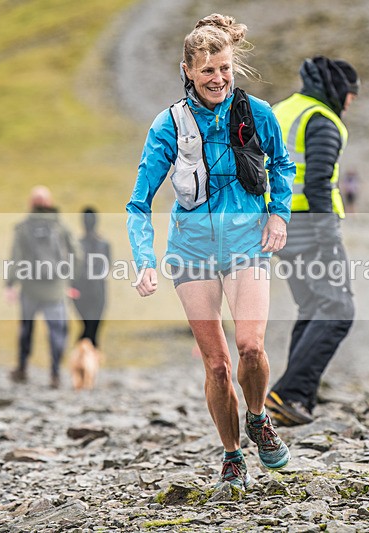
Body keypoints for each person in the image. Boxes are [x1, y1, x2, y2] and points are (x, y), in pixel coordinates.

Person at [126, 14, 296, 490]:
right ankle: (232, 456)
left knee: (251, 346)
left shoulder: (258, 113)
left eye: (224, 69)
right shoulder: (168, 126)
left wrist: (278, 213)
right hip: (192, 249)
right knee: (218, 365)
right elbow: (139, 203)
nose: (218, 79)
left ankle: (258, 417)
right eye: (207, 72)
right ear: (188, 72)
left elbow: (283, 163)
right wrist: (145, 261)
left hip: (246, 243)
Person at [265, 57, 358, 427]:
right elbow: (319, 182)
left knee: (312, 306)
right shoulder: (321, 120)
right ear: (339, 90)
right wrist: (327, 237)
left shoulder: (282, 109)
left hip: (280, 224)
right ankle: (286, 393)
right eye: (351, 95)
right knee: (338, 310)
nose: (351, 103)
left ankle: (296, 400)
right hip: (311, 226)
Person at [5, 186, 78, 389]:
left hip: (29, 289)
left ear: (31, 204)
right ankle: (55, 374)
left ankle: (22, 369)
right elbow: (77, 253)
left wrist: (10, 284)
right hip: (56, 289)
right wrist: (70, 281)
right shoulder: (60, 226)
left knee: (26, 329)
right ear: (49, 203)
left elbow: (16, 257)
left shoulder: (23, 227)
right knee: (57, 331)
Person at [70, 207, 111, 349]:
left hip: (97, 292)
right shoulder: (78, 244)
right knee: (89, 330)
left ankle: (86, 360)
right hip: (82, 292)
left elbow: (106, 266)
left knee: (91, 331)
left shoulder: (103, 244)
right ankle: (86, 359)